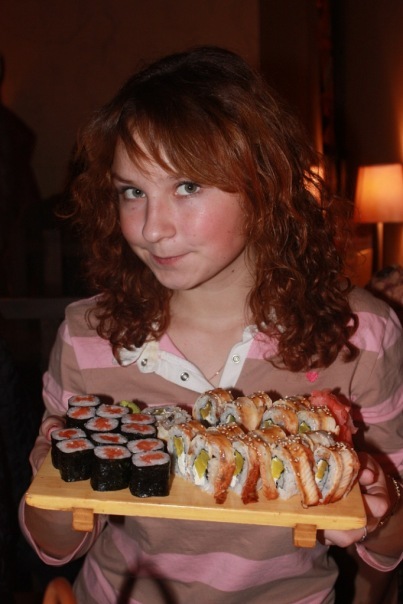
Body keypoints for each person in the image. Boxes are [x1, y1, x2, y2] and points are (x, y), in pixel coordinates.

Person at [19, 46, 402, 604]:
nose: (152, 228)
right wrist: (59, 483)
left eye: (187, 186)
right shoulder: (88, 336)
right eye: (132, 192)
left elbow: (390, 546)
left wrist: (380, 507)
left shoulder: (360, 333)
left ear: (264, 184)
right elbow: (54, 547)